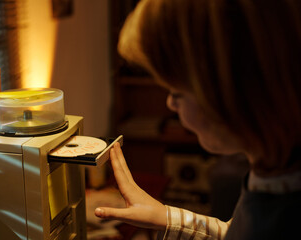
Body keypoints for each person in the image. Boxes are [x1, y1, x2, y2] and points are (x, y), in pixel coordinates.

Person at [95, 0, 301, 239]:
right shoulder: (276, 169)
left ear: (227, 93)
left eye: (176, 92)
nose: (170, 104)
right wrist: (166, 217)